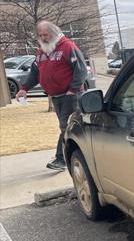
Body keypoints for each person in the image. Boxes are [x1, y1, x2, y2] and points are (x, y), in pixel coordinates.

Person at [15, 21, 87, 171]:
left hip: (71, 96)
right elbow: (35, 73)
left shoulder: (68, 47)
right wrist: (24, 89)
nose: (43, 38)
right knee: (67, 127)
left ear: (53, 33)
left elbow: (80, 70)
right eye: (40, 35)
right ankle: (72, 156)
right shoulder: (41, 52)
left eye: (45, 35)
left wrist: (72, 90)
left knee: (66, 126)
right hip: (56, 97)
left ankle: (61, 159)